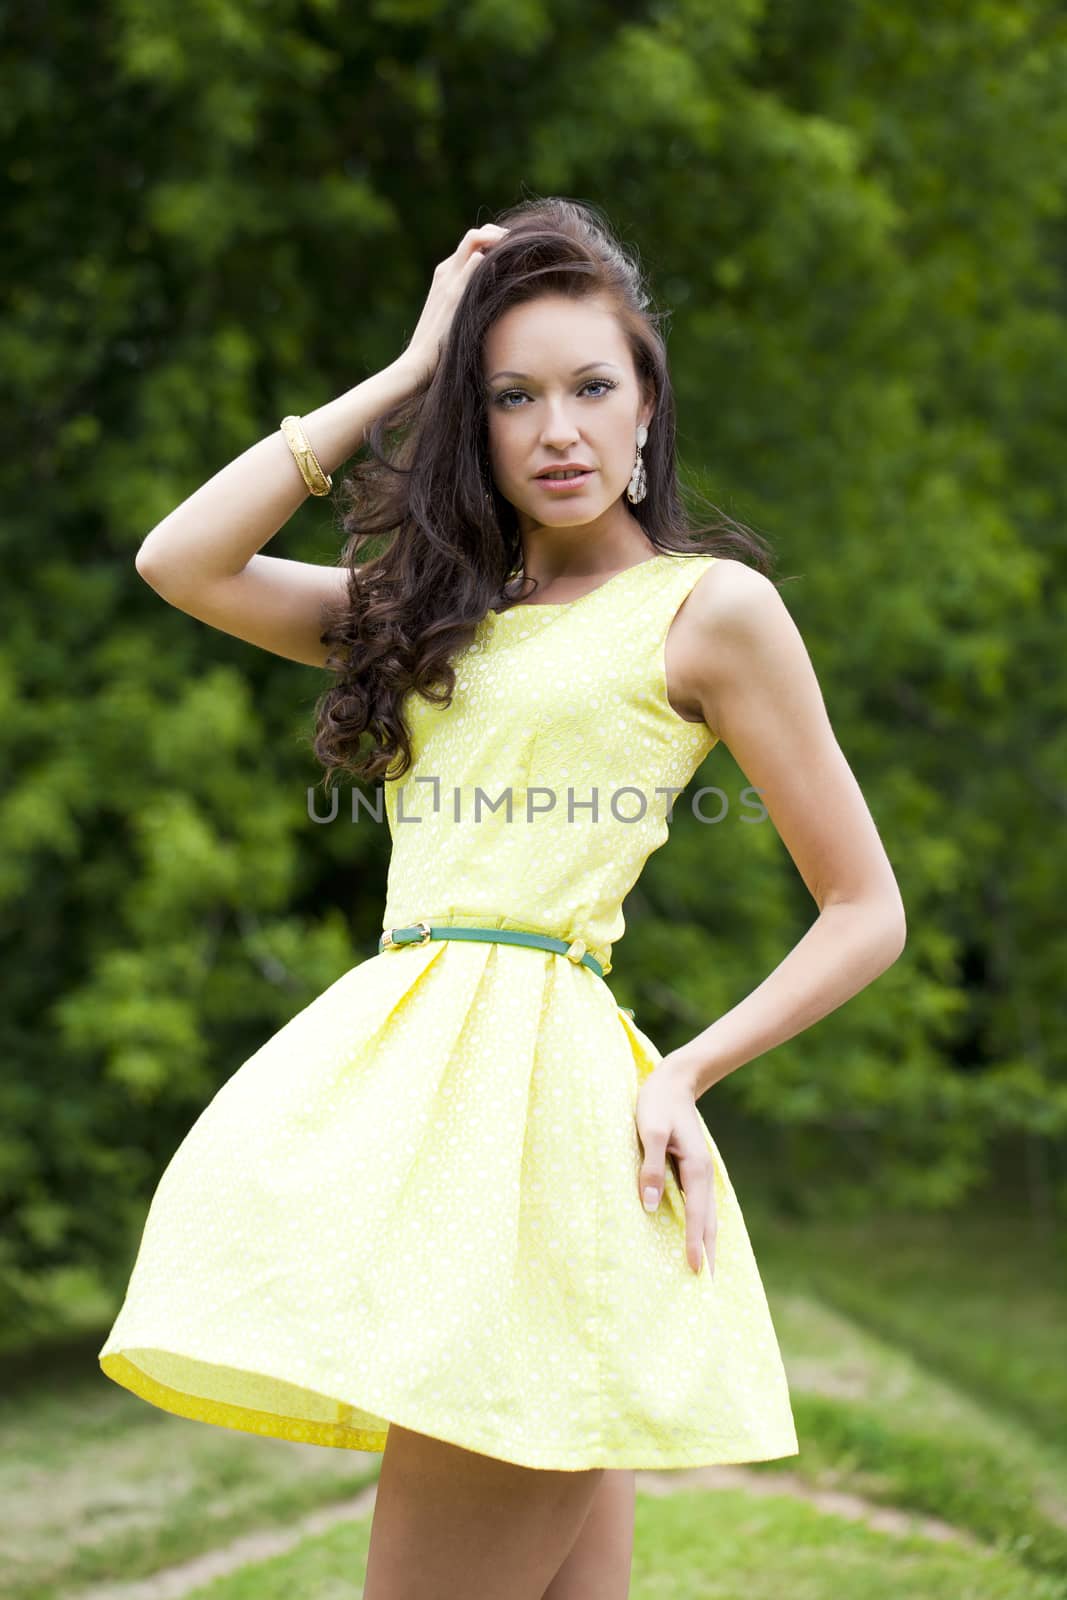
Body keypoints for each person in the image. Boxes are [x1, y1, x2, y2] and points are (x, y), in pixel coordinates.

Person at [97, 198, 907, 1599]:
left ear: (648, 404)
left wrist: (692, 1070)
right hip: (422, 1099)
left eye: (594, 386)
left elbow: (864, 907)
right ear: (472, 426)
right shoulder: (423, 609)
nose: (559, 429)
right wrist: (409, 369)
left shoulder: (708, 610)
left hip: (555, 1132)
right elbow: (184, 561)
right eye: (510, 397)